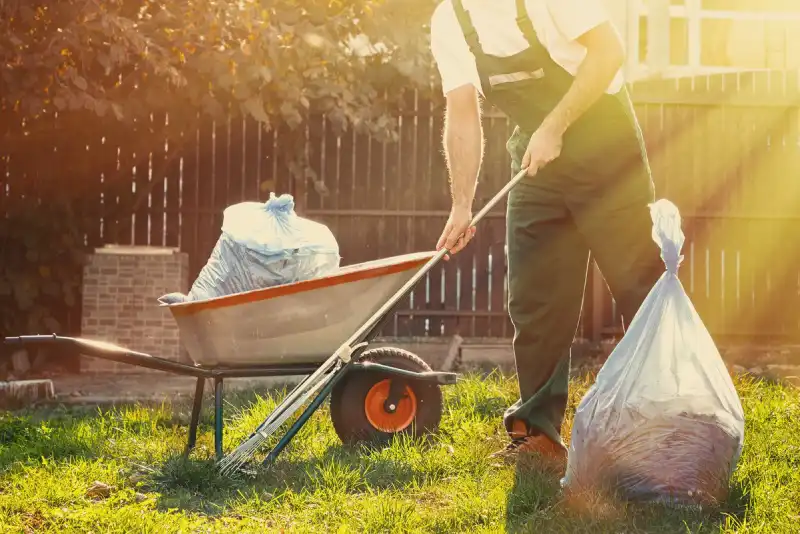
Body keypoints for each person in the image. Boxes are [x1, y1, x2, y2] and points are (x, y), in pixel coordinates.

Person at [430, 0, 663, 465]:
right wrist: (461, 206)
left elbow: (608, 52)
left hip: (605, 148)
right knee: (534, 294)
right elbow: (461, 112)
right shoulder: (449, 19)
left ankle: (665, 419)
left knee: (639, 285)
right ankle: (540, 433)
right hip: (539, 162)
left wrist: (556, 125)